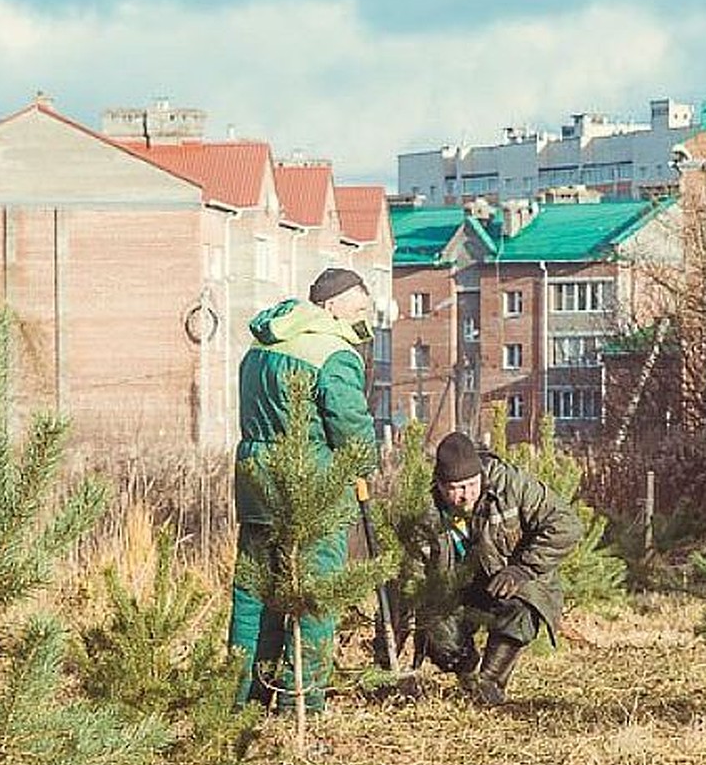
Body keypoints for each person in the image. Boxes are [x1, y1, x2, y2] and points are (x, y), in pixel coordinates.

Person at [228, 267, 378, 714]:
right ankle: (302, 700)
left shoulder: (262, 343)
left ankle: (242, 694)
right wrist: (363, 465)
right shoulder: (333, 351)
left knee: (254, 591)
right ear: (332, 306)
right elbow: (350, 425)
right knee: (315, 592)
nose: (364, 316)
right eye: (360, 307)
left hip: (256, 481)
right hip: (313, 485)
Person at [407, 430, 583, 707]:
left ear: (481, 475)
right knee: (436, 629)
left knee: (522, 610)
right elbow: (410, 584)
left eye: (470, 485)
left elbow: (566, 525)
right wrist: (386, 663)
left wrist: (521, 569)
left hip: (511, 579)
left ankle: (489, 684)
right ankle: (468, 672)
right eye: (454, 488)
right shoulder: (425, 513)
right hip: (458, 588)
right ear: (439, 485)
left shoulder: (511, 485)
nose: (464, 496)